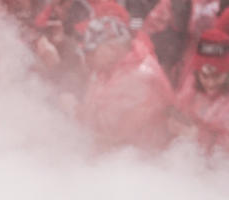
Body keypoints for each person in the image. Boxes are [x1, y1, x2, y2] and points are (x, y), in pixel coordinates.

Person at [71, 2, 175, 149]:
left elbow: (113, 130)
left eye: (92, 51)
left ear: (113, 48)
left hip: (138, 160)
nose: (87, 57)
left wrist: (75, 110)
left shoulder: (140, 76)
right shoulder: (105, 70)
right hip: (113, 154)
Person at [169, 28, 229, 149]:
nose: (210, 83)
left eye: (217, 76)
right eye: (204, 76)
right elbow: (178, 111)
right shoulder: (191, 87)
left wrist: (199, 136)